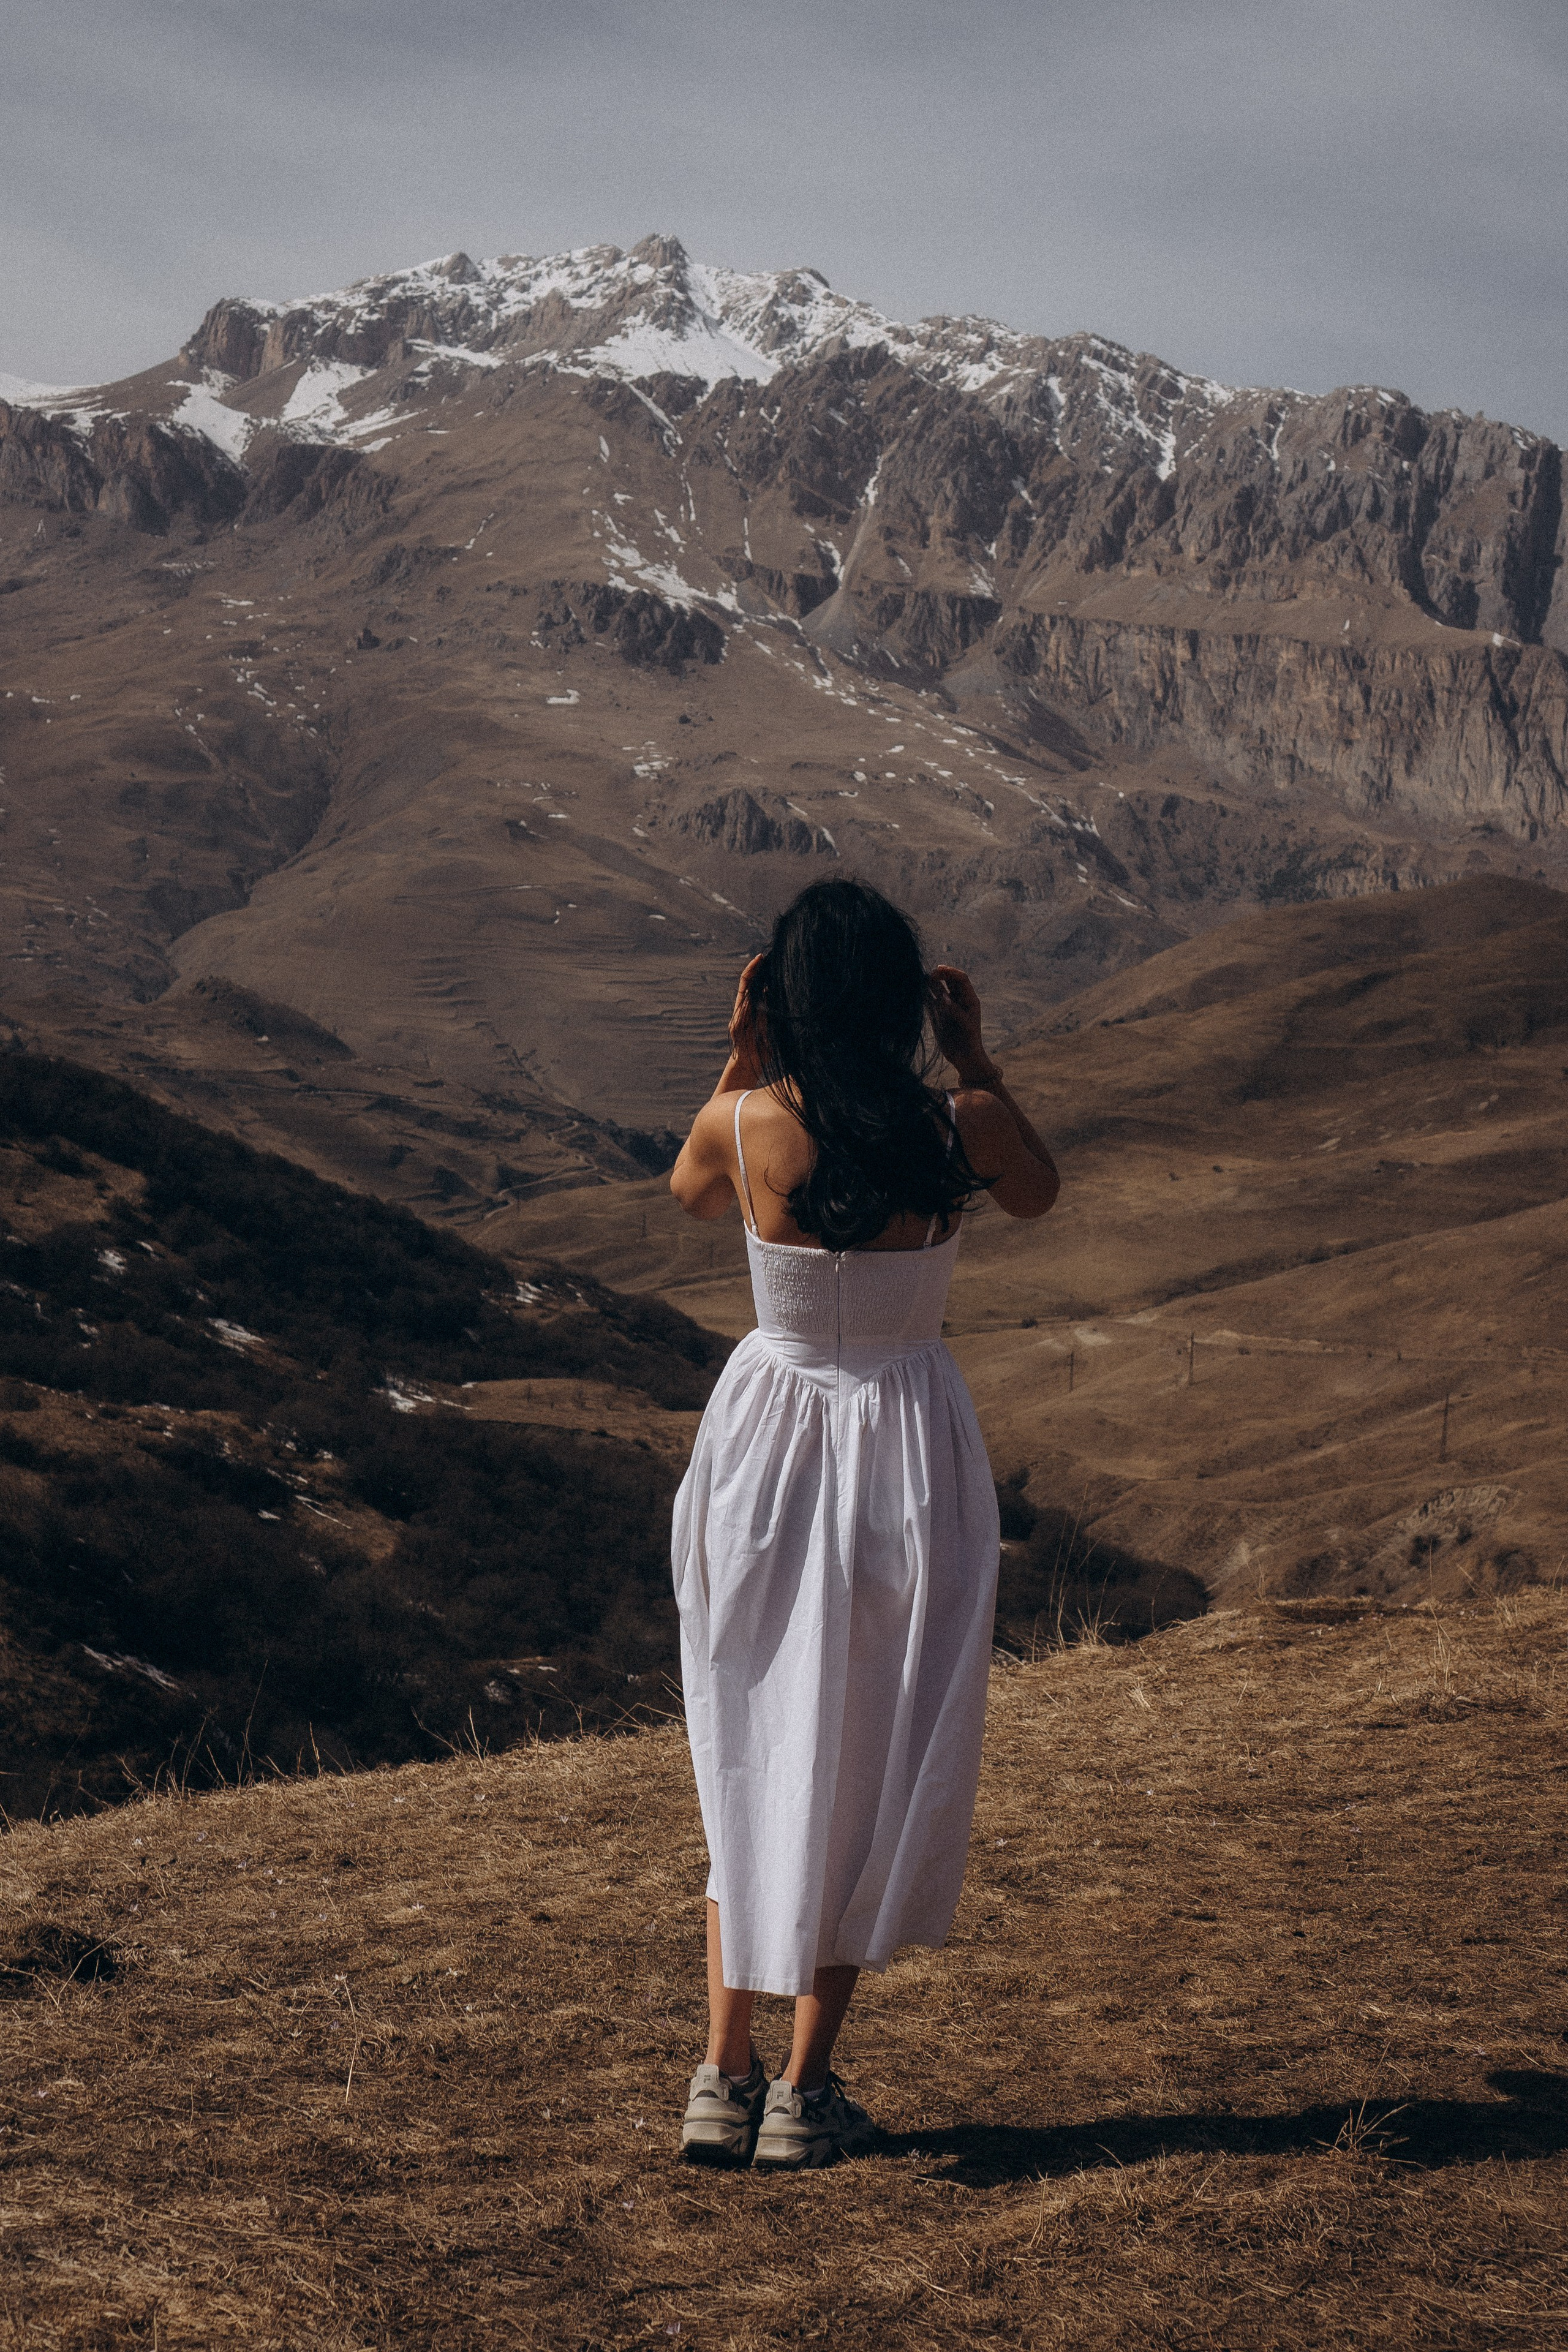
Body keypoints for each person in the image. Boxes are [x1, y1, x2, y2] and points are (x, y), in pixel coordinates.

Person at [667, 878, 1060, 2169]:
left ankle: (717, 2080)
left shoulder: (741, 1123)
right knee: (867, 1762)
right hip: (904, 1448)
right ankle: (801, 2089)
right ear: (903, 1000)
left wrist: (742, 1052)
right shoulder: (963, 1123)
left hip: (766, 1447)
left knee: (748, 1748)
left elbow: (684, 1192)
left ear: (780, 994)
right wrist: (977, 1058)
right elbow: (1038, 1196)